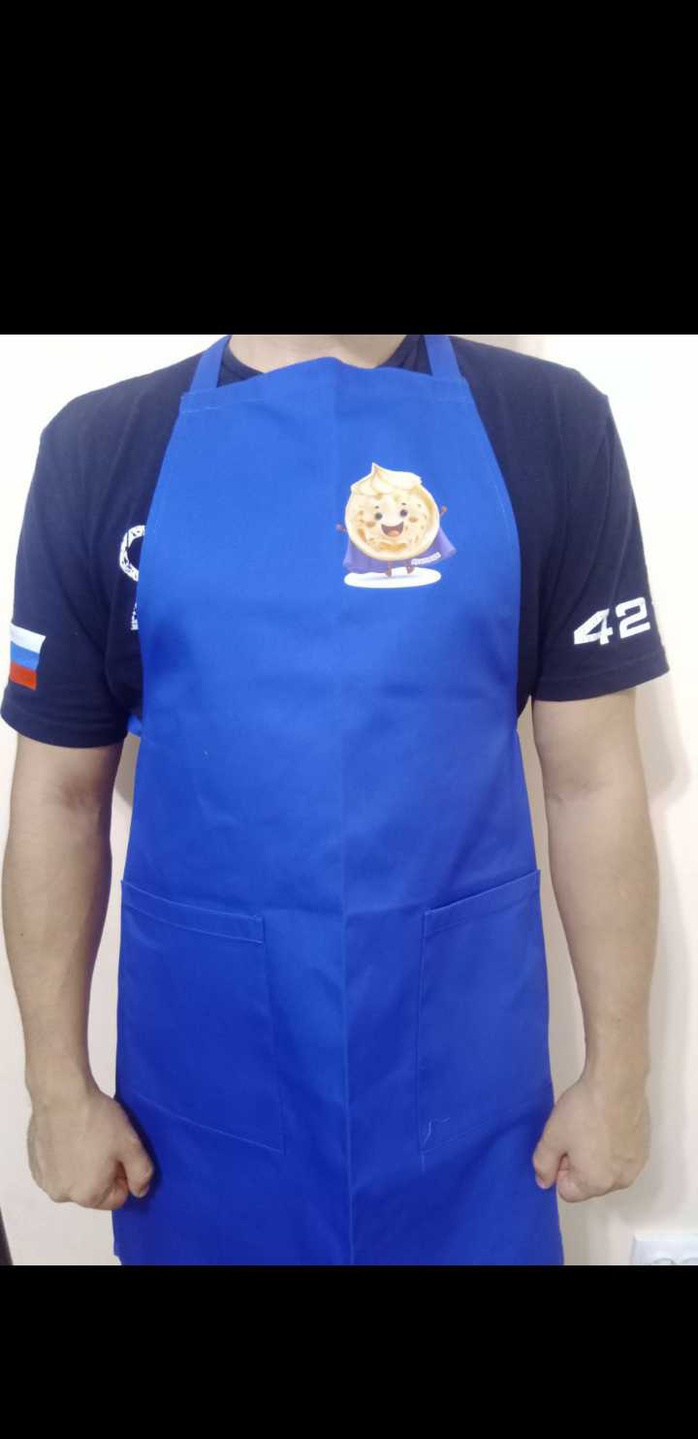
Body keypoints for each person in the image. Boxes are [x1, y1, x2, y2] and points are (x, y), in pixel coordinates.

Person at [0, 333, 670, 1266]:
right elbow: (59, 797)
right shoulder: (101, 444)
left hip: (463, 1086)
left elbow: (593, 781)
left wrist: (620, 1076)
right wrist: (57, 1089)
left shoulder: (551, 424)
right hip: (205, 1092)